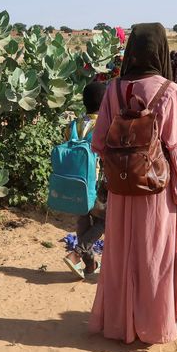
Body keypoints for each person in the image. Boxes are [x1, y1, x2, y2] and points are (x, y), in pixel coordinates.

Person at [89, 23, 177, 344]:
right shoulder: (169, 90)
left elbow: (99, 144)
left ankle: (119, 324)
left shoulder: (112, 88)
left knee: (121, 254)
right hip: (157, 189)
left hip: (122, 188)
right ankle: (152, 326)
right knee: (154, 257)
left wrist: (119, 169)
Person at [62, 81, 108, 279]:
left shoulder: (74, 124)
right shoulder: (105, 125)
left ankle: (90, 265)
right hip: (97, 182)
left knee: (83, 220)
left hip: (74, 181)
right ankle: (77, 253)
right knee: (104, 220)